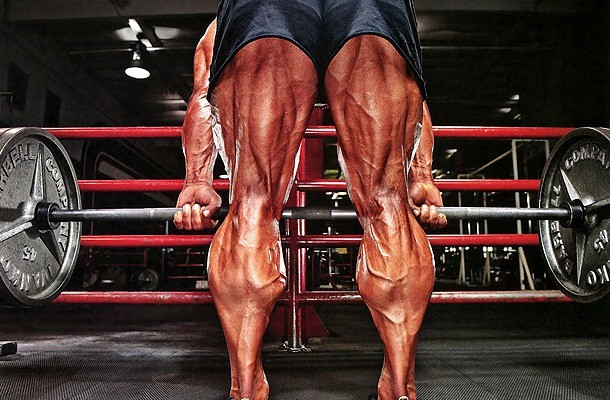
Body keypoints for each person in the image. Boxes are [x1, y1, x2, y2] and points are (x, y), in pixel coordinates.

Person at [174, 2, 446, 399]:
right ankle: (398, 389)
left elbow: (204, 90)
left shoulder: (217, 30)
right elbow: (411, 94)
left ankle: (247, 391)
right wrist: (419, 175)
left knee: (252, 204)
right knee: (389, 205)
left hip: (270, 12)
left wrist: (197, 180)